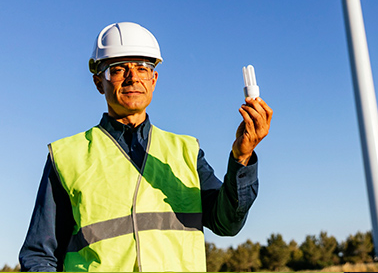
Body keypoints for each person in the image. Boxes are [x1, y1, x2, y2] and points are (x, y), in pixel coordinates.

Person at [19, 22, 273, 272]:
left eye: (142, 68)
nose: (133, 78)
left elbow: (227, 223)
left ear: (154, 79)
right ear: (99, 82)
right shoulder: (67, 156)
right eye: (118, 69)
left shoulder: (185, 150)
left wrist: (242, 156)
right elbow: (40, 254)